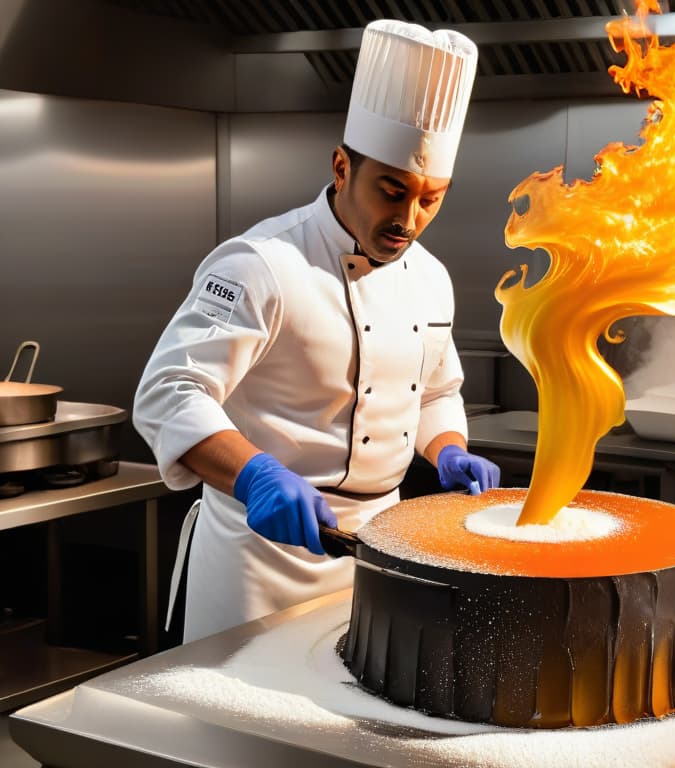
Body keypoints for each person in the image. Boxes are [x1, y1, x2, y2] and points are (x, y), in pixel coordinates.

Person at [133, 19, 500, 643]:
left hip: (376, 554)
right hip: (257, 559)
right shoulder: (262, 263)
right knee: (236, 732)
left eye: (431, 199)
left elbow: (435, 393)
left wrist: (449, 450)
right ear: (340, 166)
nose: (409, 219)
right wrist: (257, 475)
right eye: (392, 191)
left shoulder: (432, 278)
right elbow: (169, 393)